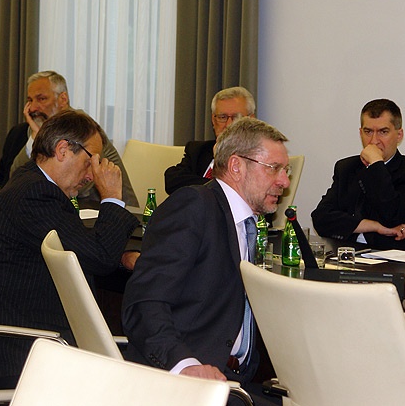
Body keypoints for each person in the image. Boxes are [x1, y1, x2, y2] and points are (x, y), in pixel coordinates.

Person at [0, 109, 139, 389]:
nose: (92, 175)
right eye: (90, 161)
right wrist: (112, 198)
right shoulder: (35, 194)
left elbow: (78, 247)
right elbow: (99, 259)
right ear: (62, 149)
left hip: (26, 329)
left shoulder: (31, 181)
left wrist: (121, 256)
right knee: (144, 366)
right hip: (22, 348)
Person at [123, 117, 290, 391]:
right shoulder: (195, 206)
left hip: (239, 379)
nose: (284, 181)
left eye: (286, 170)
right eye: (274, 168)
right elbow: (144, 303)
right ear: (236, 166)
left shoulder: (247, 223)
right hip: (186, 379)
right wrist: (184, 364)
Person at [0, 70, 138, 207]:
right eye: (30, 100)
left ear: (63, 99)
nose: (33, 108)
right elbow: (14, 177)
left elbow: (80, 187)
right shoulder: (36, 128)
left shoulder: (83, 128)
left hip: (109, 210)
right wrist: (34, 139)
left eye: (41, 99)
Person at [311, 99, 405, 251]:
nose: (374, 141)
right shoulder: (346, 167)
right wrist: (374, 226)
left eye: (383, 132)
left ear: (399, 135)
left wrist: (376, 164)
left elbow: (392, 215)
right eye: (368, 132)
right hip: (347, 251)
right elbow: (321, 218)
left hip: (390, 255)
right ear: (360, 133)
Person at [164, 86, 256, 195]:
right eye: (222, 117)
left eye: (236, 117)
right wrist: (221, 187)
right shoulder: (198, 150)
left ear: (251, 120)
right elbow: (172, 180)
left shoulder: (257, 158)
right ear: (213, 120)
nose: (228, 124)